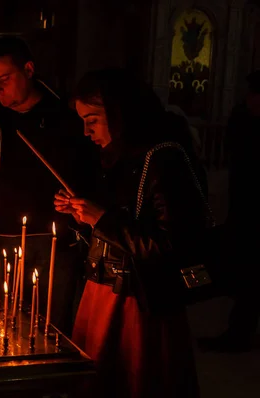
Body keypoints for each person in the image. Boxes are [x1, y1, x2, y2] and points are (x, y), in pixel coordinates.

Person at [54, 68, 204, 397]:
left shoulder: (164, 159)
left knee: (137, 378)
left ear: (121, 113)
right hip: (104, 291)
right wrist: (83, 213)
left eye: (92, 119)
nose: (85, 131)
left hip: (138, 301)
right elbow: (122, 219)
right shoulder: (118, 157)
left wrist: (102, 220)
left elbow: (172, 241)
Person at [0, 36, 98, 335]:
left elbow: (90, 171)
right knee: (4, 326)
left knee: (51, 329)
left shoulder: (67, 117)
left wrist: (79, 202)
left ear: (28, 69)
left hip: (55, 242)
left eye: (4, 79)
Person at [198, 70, 260, 352]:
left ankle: (239, 333)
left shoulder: (248, 125)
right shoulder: (244, 122)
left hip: (250, 212)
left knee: (250, 277)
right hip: (245, 211)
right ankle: (239, 331)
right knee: (248, 277)